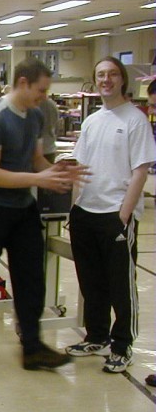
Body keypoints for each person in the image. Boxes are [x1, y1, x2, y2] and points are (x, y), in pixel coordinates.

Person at [0, 57, 86, 370]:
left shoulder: (35, 115)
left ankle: (32, 347)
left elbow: (35, 159)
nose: (44, 96)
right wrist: (38, 179)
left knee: (32, 278)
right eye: (40, 90)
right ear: (22, 83)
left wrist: (56, 172)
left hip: (22, 209)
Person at [64, 57, 156, 373]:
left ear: (122, 80)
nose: (106, 80)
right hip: (85, 213)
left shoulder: (135, 120)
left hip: (114, 215)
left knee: (120, 285)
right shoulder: (91, 120)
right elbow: (81, 168)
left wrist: (123, 216)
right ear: (95, 80)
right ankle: (97, 336)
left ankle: (122, 344)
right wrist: (73, 208)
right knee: (91, 282)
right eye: (101, 75)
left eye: (112, 74)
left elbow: (141, 171)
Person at [38, 97, 60, 163]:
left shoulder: (31, 107)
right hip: (49, 149)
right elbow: (56, 128)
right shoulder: (52, 104)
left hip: (36, 152)